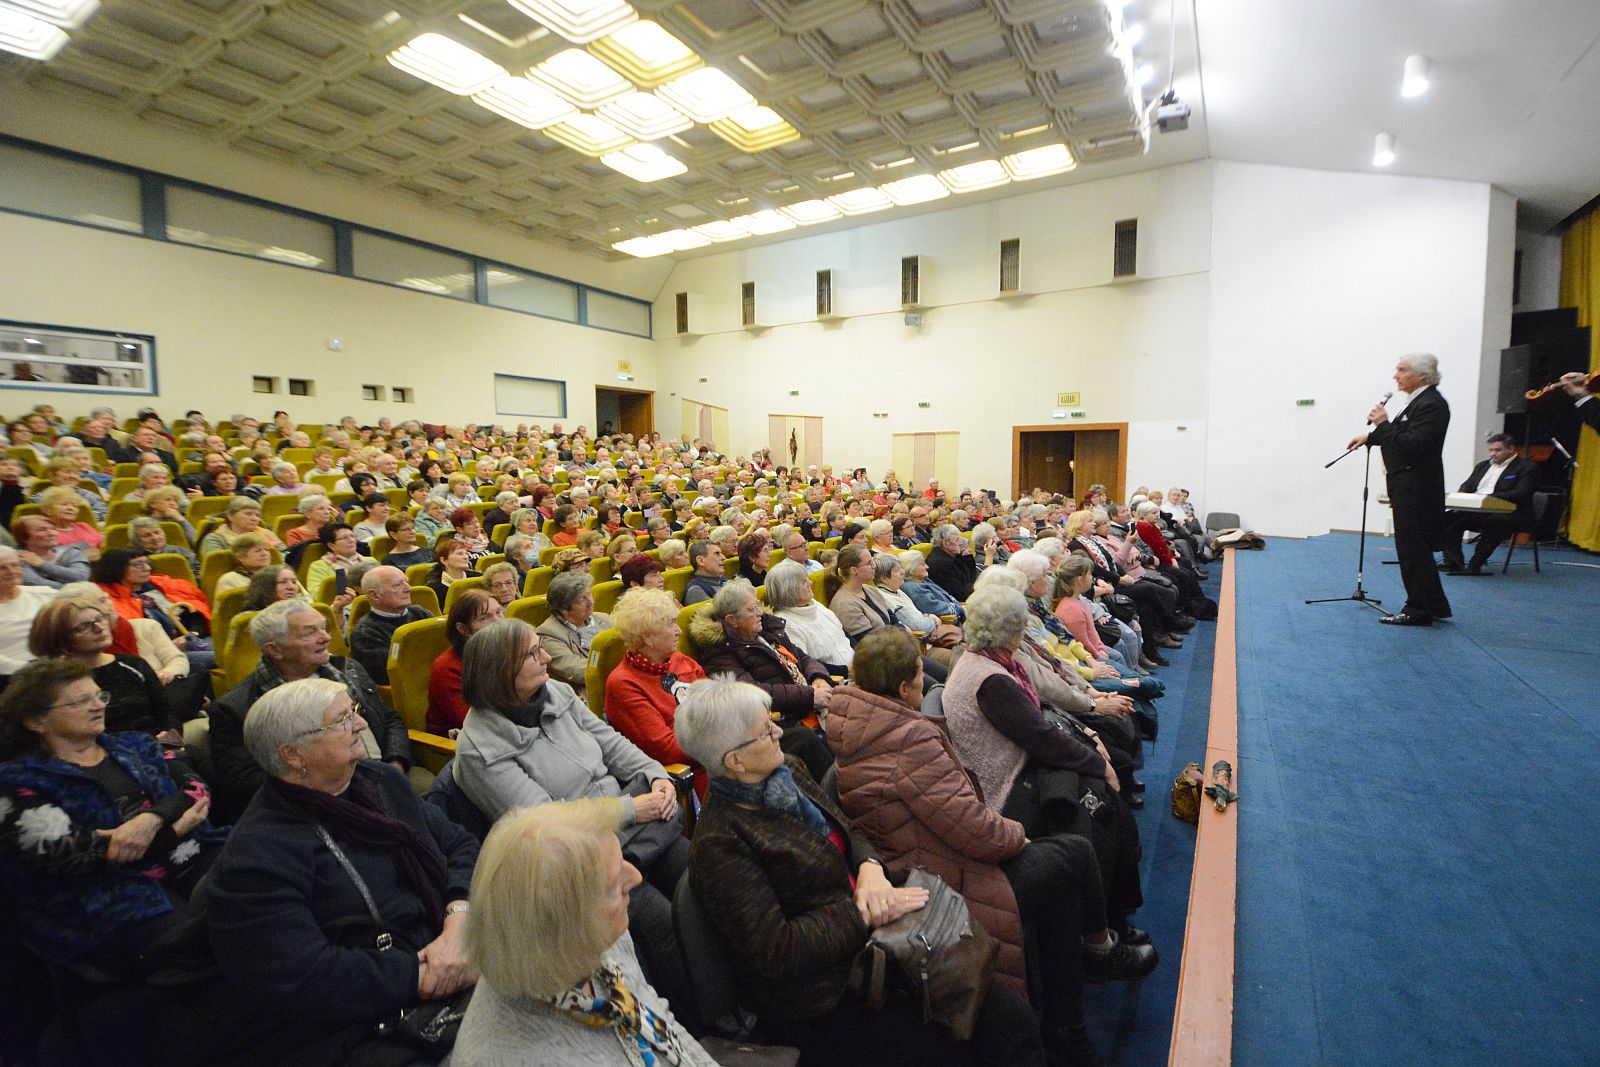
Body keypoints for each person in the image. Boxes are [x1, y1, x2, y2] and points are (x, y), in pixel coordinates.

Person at [675, 676, 1048, 1066]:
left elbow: (849, 829)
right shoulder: (721, 843)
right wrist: (865, 912)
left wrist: (869, 867)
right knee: (963, 1050)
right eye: (764, 730)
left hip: (883, 941)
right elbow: (779, 951)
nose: (777, 733)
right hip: (827, 993)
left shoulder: (788, 772)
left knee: (1010, 1020)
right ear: (733, 761)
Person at [829, 630, 1157, 1065]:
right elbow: (974, 831)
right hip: (944, 877)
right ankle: (1095, 957)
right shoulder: (907, 740)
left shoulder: (856, 726)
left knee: (1063, 873)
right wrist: (1019, 834)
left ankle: (1072, 1016)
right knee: (1073, 853)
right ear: (907, 688)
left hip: (926, 858)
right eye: (917, 679)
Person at [203, 678, 478, 1064]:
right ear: (293, 755)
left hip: (455, 952)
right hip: (365, 1021)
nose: (361, 724)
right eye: (341, 720)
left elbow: (460, 846)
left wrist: (458, 922)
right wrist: (425, 975)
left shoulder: (382, 782)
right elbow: (305, 977)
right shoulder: (257, 857)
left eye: (355, 712)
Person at [451, 618, 689, 1010]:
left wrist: (655, 774)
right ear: (500, 671)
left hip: (627, 826)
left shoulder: (556, 693)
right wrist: (633, 808)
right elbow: (549, 820)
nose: (546, 657)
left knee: (701, 877)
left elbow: (612, 745)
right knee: (660, 920)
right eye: (532, 653)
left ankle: (730, 997)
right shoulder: (480, 749)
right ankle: (689, 1022)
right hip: (578, 857)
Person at [945, 585, 1152, 941]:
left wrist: (1089, 744)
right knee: (1096, 812)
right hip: (1006, 788)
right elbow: (1042, 737)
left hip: (1024, 765)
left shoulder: (990, 661)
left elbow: (1042, 724)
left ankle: (1113, 917)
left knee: (1103, 798)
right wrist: (1096, 762)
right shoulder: (991, 679)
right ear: (1010, 630)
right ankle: (1099, 936)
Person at [0, 657, 225, 981]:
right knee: (197, 942)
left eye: (98, 696)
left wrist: (151, 820)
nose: (98, 706)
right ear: (36, 721)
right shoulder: (17, 781)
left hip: (186, 854)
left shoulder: (137, 744)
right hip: (100, 893)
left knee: (261, 879)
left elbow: (198, 788)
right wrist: (172, 829)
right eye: (80, 701)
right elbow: (72, 852)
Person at [452, 798, 718, 1067]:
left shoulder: (600, 941)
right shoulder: (515, 1056)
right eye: (614, 885)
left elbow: (660, 1019)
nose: (636, 877)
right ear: (566, 931)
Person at [208, 600, 411, 822]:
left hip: (386, 775)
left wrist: (395, 765)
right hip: (317, 807)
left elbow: (389, 719)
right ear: (274, 650)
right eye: (309, 633)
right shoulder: (236, 709)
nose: (326, 637)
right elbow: (244, 785)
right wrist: (340, 786)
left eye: (323, 627)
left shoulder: (348, 669)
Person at [687, 578, 835, 779]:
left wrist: (818, 677)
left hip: (813, 702)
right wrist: (810, 695)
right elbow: (753, 693)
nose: (759, 612)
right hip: (781, 721)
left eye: (757, 605)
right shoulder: (720, 652)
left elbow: (803, 657)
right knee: (809, 740)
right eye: (751, 609)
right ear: (732, 620)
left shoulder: (766, 632)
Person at [1348, 354, 1453, 625]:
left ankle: (1418, 610)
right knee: (1417, 549)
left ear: (1422, 375)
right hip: (1409, 484)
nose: (1396, 375)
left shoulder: (1431, 404)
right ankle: (1435, 605)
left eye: (1402, 370)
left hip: (1416, 486)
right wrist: (1371, 436)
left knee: (1412, 549)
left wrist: (1383, 425)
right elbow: (1404, 436)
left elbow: (1415, 443)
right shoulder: (1419, 402)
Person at [29, 597, 178, 742]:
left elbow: (167, 715)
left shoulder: (133, 665)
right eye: (84, 626)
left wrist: (171, 743)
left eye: (100, 619)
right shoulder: (48, 680)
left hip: (154, 751)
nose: (99, 628)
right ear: (58, 636)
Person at [605, 587, 708, 798]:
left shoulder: (680, 661)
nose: (679, 630)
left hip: (717, 758)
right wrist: (722, 741)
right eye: (671, 624)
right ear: (648, 637)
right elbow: (667, 750)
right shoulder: (623, 684)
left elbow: (718, 708)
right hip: (689, 777)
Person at [1440, 433, 1537, 575]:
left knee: (1497, 522)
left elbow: (1522, 493)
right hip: (1478, 510)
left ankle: (1474, 565)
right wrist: (1462, 497)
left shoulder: (1527, 468)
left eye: (1498, 450)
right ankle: (1454, 563)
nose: (1493, 453)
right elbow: (1467, 485)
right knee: (1446, 518)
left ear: (1511, 449)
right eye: (1491, 450)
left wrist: (1488, 498)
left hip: (1511, 513)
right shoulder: (1482, 466)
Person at [427, 588, 503, 734]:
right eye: (484, 618)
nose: (498, 622)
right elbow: (474, 722)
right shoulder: (447, 668)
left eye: (499, 612)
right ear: (463, 629)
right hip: (455, 745)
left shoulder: (506, 650)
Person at [764, 558, 853, 673]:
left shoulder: (814, 604)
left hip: (857, 665)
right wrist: (846, 670)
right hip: (837, 679)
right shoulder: (786, 624)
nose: (810, 583)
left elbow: (843, 633)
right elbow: (805, 663)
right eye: (804, 582)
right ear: (789, 590)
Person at [349, 565, 432, 684]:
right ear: (374, 595)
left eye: (407, 582)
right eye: (398, 585)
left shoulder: (420, 613)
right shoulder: (365, 633)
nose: (409, 589)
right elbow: (393, 674)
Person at [537, 572, 614, 691]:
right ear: (564, 609)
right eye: (582, 599)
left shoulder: (603, 618)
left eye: (589, 594)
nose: (591, 602)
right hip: (586, 693)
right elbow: (578, 671)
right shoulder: (548, 634)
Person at [0, 546, 52, 675]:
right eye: (2, 568)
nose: (11, 571)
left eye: (15, 565)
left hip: (56, 664)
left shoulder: (44, 594)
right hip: (12, 674)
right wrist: (31, 671)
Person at [13, 514, 92, 589]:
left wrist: (41, 564)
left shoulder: (71, 552)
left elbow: (81, 577)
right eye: (42, 530)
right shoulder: (18, 558)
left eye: (53, 528)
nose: (51, 533)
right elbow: (33, 583)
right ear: (25, 538)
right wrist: (76, 589)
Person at [198, 497, 282, 557]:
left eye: (257, 515)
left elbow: (285, 554)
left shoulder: (267, 533)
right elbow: (216, 565)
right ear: (230, 516)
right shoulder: (214, 539)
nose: (254, 518)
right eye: (248, 514)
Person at [211, 533, 274, 598]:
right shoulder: (229, 580)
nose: (264, 553)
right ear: (240, 557)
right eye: (258, 550)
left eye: (267, 550)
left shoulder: (277, 576)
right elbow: (226, 607)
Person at [928, 523, 979, 602]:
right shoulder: (941, 563)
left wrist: (967, 557)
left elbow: (970, 579)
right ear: (946, 543)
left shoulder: (952, 555)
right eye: (957, 540)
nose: (961, 543)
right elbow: (961, 594)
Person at [424, 536, 479, 607]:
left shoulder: (478, 578)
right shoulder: (433, 589)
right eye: (460, 554)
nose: (465, 557)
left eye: (466, 553)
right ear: (444, 560)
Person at [242, 563, 309, 610]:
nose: (291, 587)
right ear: (265, 587)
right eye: (282, 582)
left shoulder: (305, 610)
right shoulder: (250, 619)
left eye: (294, 582)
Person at [682, 539, 726, 605]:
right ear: (701, 561)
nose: (723, 557)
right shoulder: (695, 591)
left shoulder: (723, 580)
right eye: (717, 554)